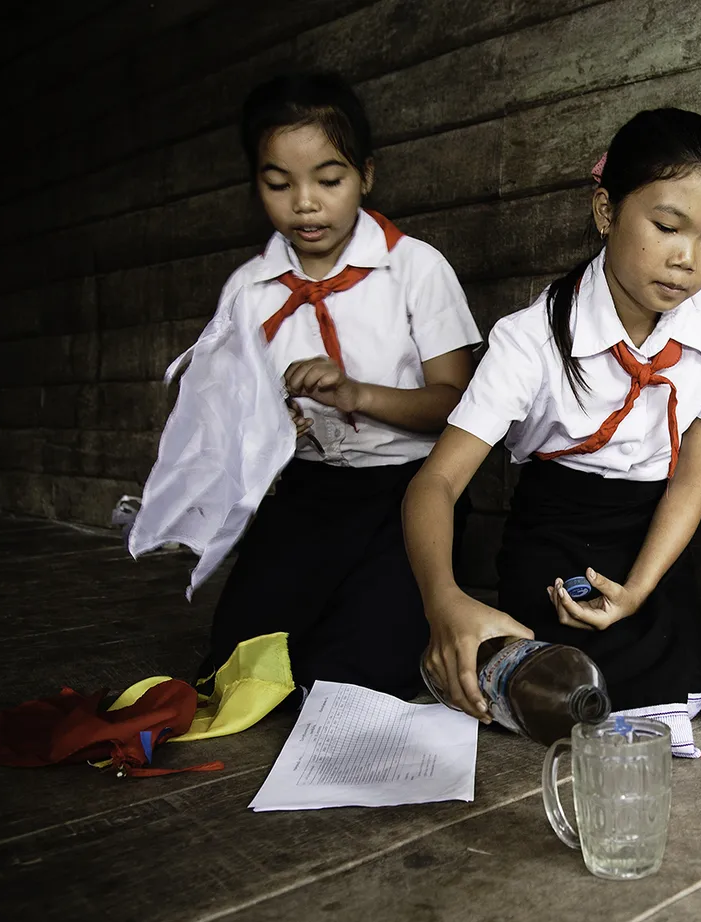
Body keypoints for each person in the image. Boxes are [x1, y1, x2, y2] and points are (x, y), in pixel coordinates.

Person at [404, 108, 701, 757]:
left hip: (656, 535)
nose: (687, 259)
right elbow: (436, 482)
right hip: (555, 526)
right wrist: (444, 601)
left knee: (661, 671)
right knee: (548, 678)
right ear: (605, 211)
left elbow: (693, 475)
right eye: (667, 226)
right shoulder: (529, 339)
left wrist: (641, 589)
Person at [155, 72, 481, 696]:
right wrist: (271, 419)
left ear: (367, 175)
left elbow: (455, 404)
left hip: (407, 495)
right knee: (239, 671)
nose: (305, 202)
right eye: (279, 184)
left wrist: (358, 395)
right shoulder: (251, 292)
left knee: (355, 678)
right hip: (309, 493)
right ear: (257, 184)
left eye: (329, 181)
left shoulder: (415, 267)